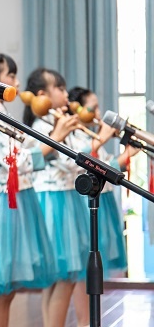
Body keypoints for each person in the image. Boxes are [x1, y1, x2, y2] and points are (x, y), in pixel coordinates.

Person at [0, 53, 73, 327]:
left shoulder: (0, 109)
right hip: (0, 205)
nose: (16, 82)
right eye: (10, 75)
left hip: (17, 200)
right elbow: (14, 162)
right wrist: (56, 138)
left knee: (8, 293)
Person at [22, 68, 89, 327]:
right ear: (42, 95)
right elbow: (70, 163)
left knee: (61, 279)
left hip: (63, 197)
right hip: (53, 200)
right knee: (64, 277)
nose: (65, 94)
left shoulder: (56, 122)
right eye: (59, 88)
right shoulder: (42, 126)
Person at [67, 86, 137, 327]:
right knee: (82, 267)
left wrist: (126, 154)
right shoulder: (77, 135)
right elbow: (81, 162)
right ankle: (84, 321)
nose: (97, 113)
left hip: (102, 198)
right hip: (82, 202)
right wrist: (101, 139)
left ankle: (89, 320)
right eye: (93, 107)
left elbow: (105, 165)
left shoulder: (89, 134)